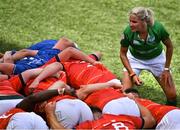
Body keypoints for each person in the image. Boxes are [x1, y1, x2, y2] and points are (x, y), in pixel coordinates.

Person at [120, 6, 177, 106]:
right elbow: (122, 54)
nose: (130, 25)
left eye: (134, 22)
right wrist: (132, 74)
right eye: (130, 21)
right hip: (135, 59)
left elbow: (170, 47)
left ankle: (169, 113)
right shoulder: (128, 31)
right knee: (125, 93)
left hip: (157, 59)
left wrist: (166, 69)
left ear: (144, 21)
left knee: (172, 96)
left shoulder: (158, 28)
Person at [44, 99, 156, 129]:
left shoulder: (92, 125)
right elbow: (151, 121)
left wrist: (50, 114)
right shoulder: (123, 118)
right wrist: (136, 101)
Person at [0, 37, 78, 75]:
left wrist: (7, 55)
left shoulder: (22, 69)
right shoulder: (51, 54)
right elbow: (25, 52)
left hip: (40, 56)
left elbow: (7, 63)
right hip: (43, 56)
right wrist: (8, 56)